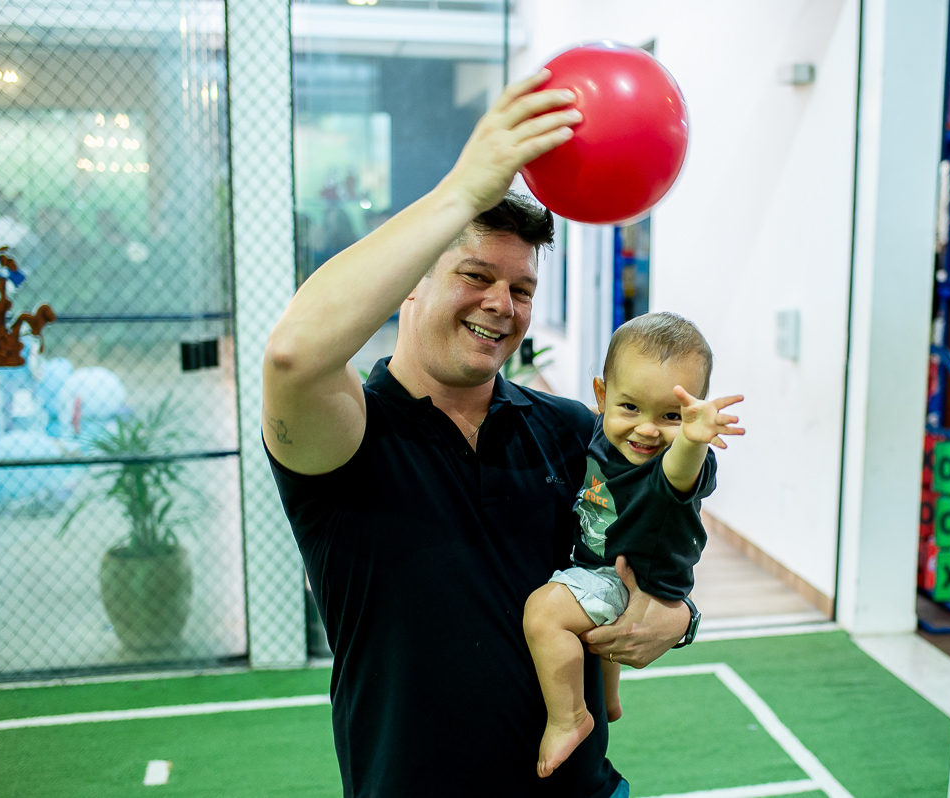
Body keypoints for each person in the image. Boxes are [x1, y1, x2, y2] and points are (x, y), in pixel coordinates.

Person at [262, 70, 693, 798]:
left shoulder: (569, 431)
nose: (501, 305)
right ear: (410, 284)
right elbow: (292, 354)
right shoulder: (346, 439)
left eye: (521, 289)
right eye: (473, 275)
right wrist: (461, 190)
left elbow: (649, 542)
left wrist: (680, 616)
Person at [524, 313, 744, 777]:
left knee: (544, 613)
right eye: (631, 408)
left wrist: (691, 439)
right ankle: (608, 700)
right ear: (601, 397)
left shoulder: (669, 463)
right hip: (612, 566)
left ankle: (570, 717)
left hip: (630, 577)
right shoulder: (602, 435)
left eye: (671, 415)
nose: (647, 430)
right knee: (599, 642)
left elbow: (679, 472)